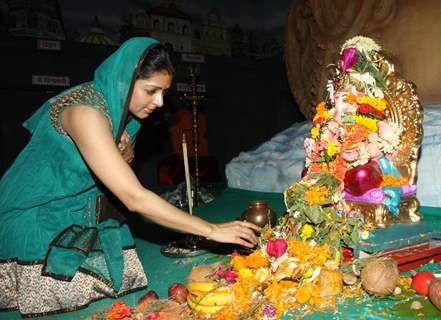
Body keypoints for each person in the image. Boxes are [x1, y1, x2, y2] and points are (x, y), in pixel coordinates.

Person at [0, 37, 260, 317]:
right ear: (125, 81)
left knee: (119, 272)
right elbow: (133, 197)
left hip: (73, 212)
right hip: (31, 217)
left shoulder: (121, 114)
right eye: (151, 91)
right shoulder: (86, 114)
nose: (159, 102)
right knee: (69, 288)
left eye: (164, 92)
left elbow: (118, 172)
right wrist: (212, 229)